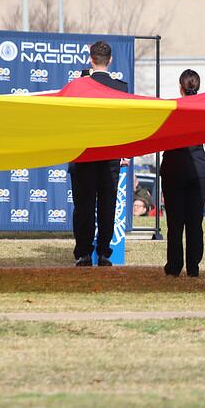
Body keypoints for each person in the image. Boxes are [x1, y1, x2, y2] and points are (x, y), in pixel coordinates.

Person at [70, 41, 128, 267]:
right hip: (110, 154)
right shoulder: (120, 88)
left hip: (84, 153)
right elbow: (125, 124)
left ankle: (83, 254)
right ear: (110, 60)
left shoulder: (78, 86)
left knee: (83, 205)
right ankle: (104, 253)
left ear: (90, 59)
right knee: (107, 205)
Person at [159, 69, 205, 277]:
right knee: (195, 221)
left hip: (173, 168)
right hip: (199, 170)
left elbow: (161, 138)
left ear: (180, 87)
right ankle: (193, 266)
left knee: (174, 222)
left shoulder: (172, 109)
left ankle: (174, 265)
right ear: (198, 87)